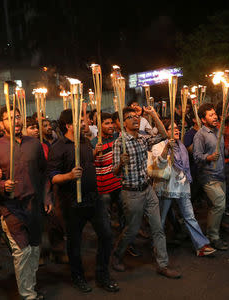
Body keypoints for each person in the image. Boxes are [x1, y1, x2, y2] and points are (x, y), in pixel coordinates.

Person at [47, 109, 119, 293]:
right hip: (72, 202)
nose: (85, 123)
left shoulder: (85, 141)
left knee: (106, 236)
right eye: (80, 120)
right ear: (69, 125)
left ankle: (102, 275)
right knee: (75, 242)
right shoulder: (58, 147)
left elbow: (87, 164)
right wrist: (69, 175)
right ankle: (78, 276)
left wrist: (95, 154)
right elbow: (53, 177)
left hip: (93, 198)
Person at [0, 106, 52, 300]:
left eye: (18, 116)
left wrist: (47, 196)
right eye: (9, 118)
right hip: (11, 208)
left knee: (35, 249)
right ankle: (28, 294)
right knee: (22, 252)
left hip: (35, 206)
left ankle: (30, 286)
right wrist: (2, 184)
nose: (15, 121)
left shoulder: (34, 144)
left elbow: (44, 173)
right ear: (1, 123)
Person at [112, 106, 182, 279]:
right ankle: (117, 254)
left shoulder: (143, 139)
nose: (135, 119)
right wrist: (121, 163)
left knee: (158, 228)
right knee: (132, 229)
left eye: (136, 116)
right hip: (131, 193)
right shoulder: (120, 143)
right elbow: (114, 171)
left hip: (147, 190)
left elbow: (164, 135)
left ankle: (162, 265)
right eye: (130, 117)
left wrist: (153, 114)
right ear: (123, 123)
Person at [151, 119, 216, 257]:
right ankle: (158, 248)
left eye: (177, 128)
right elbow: (159, 165)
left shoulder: (181, 146)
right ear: (164, 131)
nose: (176, 130)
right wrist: (167, 148)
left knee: (190, 216)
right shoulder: (158, 146)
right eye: (171, 128)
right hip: (166, 188)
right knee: (160, 220)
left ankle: (201, 246)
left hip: (182, 187)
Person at [193, 103, 228, 250]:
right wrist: (209, 157)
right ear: (203, 119)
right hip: (208, 177)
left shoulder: (218, 131)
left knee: (217, 206)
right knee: (219, 203)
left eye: (215, 114)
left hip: (221, 175)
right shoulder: (200, 135)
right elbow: (196, 156)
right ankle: (213, 237)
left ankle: (214, 231)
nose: (215, 117)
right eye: (210, 115)